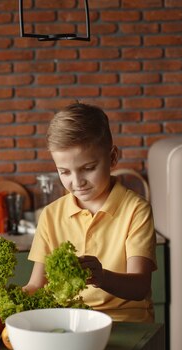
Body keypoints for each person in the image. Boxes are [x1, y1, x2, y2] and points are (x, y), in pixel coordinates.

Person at [24, 102, 157, 323]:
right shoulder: (50, 215)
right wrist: (1, 300)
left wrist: (101, 277)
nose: (77, 182)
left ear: (113, 157)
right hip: (70, 325)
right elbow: (37, 285)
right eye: (64, 172)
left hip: (126, 325)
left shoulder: (135, 209)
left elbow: (140, 287)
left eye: (88, 168)